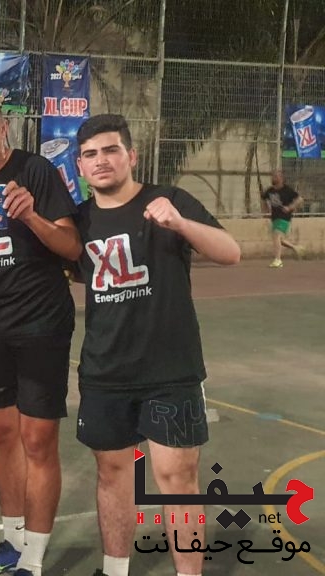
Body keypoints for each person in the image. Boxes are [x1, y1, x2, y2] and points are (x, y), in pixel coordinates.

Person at [72, 114, 240, 576]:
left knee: (178, 480)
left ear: (131, 155)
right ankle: (115, 570)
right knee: (112, 476)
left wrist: (181, 223)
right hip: (105, 371)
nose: (101, 160)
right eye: (90, 154)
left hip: (171, 371)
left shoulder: (170, 200)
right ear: (80, 167)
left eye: (111, 150)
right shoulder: (79, 221)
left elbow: (231, 252)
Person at [0, 92, 81, 576]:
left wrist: (30, 215)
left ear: (3, 128)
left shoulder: (35, 171)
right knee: (1, 434)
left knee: (38, 440)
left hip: (40, 324)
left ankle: (34, 559)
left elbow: (72, 247)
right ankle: (11, 541)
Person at [261, 170, 304, 267]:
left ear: (281, 179)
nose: (273, 178)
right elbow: (263, 199)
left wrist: (290, 207)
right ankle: (296, 248)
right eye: (273, 176)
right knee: (279, 240)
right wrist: (265, 210)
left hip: (284, 218)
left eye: (276, 176)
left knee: (276, 235)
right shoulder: (270, 190)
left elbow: (300, 199)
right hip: (274, 218)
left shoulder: (287, 190)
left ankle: (278, 260)